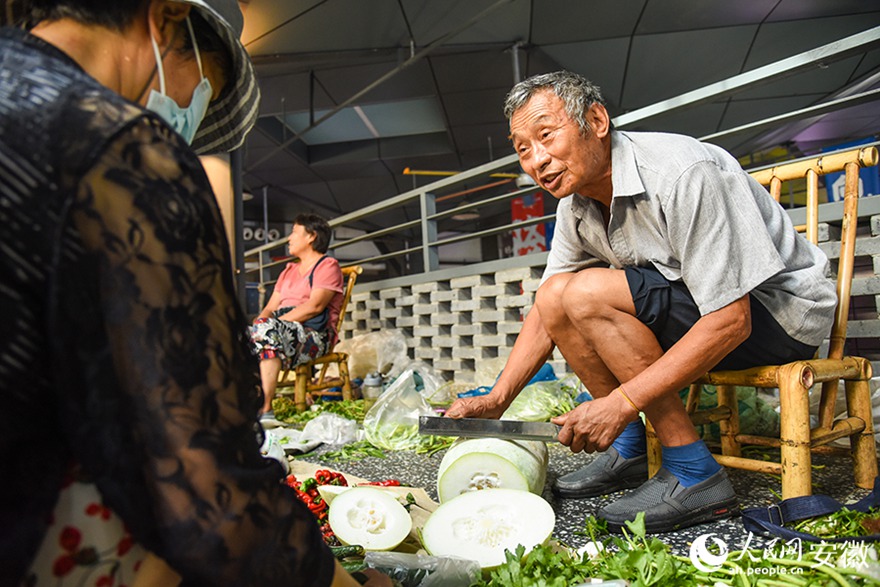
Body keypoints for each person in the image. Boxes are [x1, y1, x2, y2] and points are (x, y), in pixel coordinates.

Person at [0, 1, 387, 585]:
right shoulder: (126, 151)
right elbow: (209, 495)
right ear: (165, 17)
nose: (190, 113)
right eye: (205, 87)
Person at [446, 71, 836, 533]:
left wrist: (620, 402)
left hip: (777, 317)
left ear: (596, 120)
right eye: (523, 148)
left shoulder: (682, 173)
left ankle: (694, 472)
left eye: (546, 135)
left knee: (588, 291)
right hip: (704, 312)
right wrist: (497, 398)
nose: (537, 160)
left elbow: (733, 321)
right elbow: (547, 309)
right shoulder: (576, 205)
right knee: (557, 294)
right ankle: (630, 449)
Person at [250, 214, 344, 416]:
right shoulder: (288, 271)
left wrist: (270, 325)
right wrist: (260, 324)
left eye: (294, 232)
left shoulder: (327, 266)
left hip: (314, 335)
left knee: (265, 331)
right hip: (281, 329)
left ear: (311, 236)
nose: (289, 238)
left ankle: (265, 409)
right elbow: (270, 307)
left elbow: (314, 307)